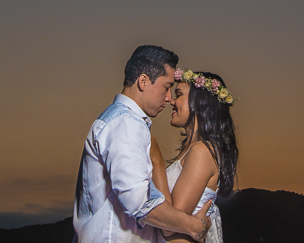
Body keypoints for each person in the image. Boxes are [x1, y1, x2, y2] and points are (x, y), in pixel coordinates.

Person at [74, 45, 212, 243]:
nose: (168, 98)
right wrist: (194, 226)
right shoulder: (125, 122)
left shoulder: (120, 120)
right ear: (143, 81)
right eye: (166, 87)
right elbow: (140, 202)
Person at [150, 69, 238, 243]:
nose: (172, 101)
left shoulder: (202, 152)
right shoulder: (193, 150)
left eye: (179, 94)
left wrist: (156, 160)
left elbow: (170, 226)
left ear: (199, 103)